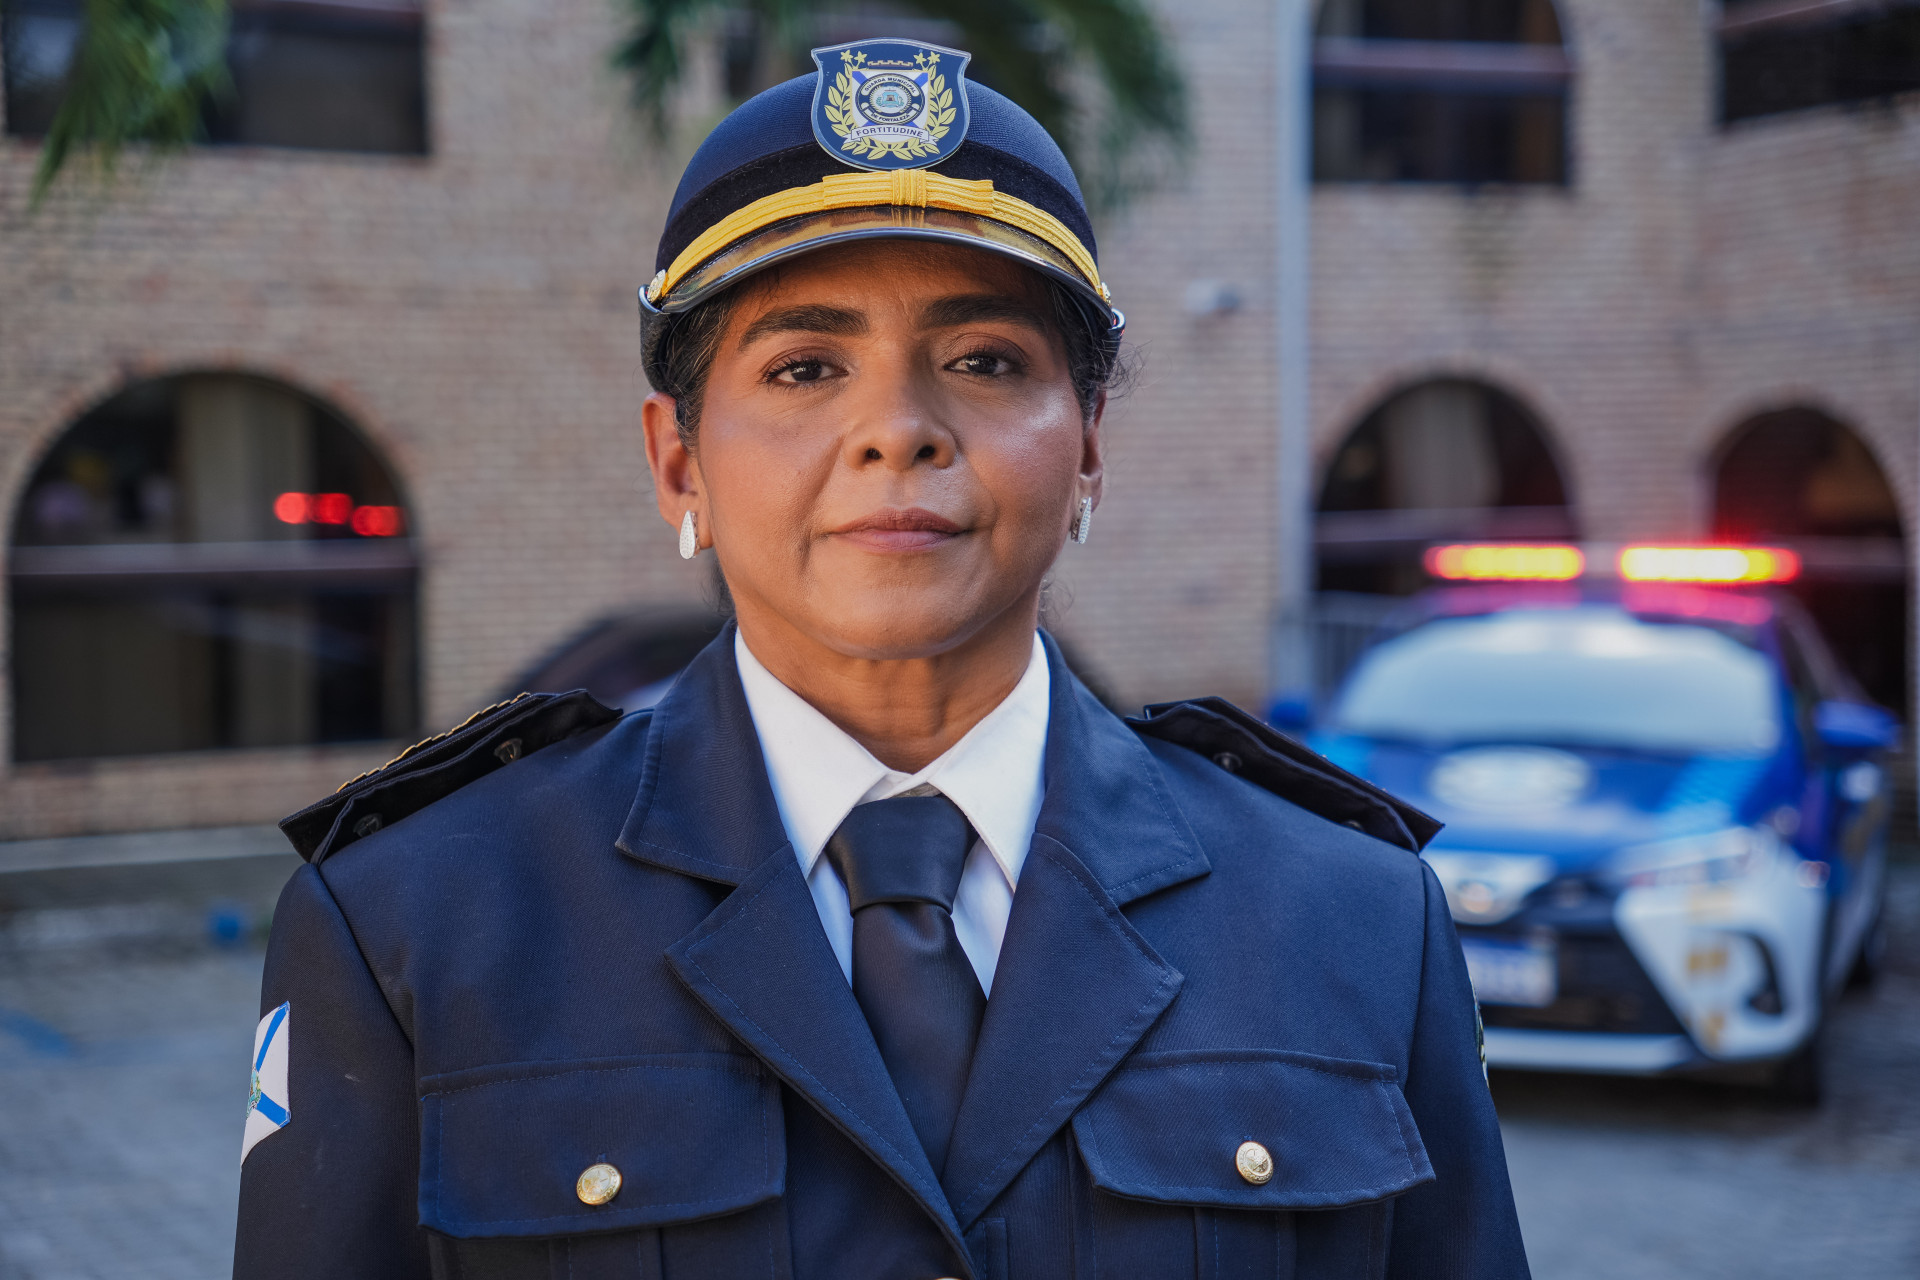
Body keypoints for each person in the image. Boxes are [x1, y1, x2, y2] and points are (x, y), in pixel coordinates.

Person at [234, 37, 1529, 1280]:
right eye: (804, 367)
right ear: (676, 458)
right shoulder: (419, 922)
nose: (898, 430)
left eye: (982, 360)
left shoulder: (1352, 914)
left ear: (1086, 448)